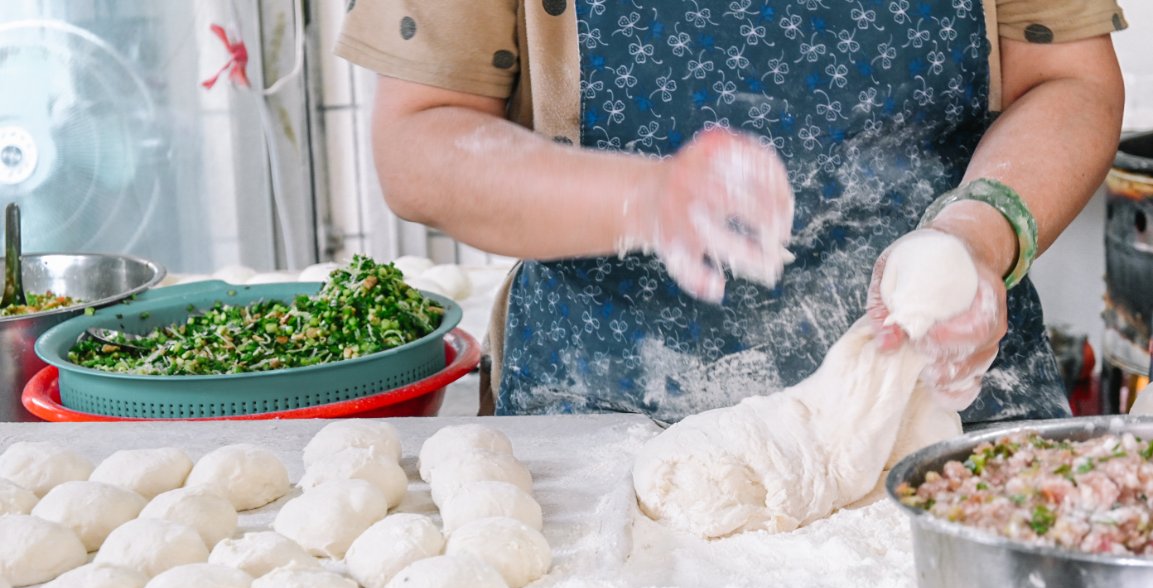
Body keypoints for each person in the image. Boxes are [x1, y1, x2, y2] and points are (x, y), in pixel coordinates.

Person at [335, 0, 1127, 426]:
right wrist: (642, 200)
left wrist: (976, 233)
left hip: (944, 405)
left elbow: (1066, 79)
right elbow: (419, 141)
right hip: (609, 425)